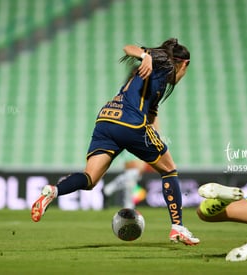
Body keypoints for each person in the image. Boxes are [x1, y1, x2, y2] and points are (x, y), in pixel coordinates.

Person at [31, 38, 200, 245]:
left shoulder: (156, 82)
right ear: (184, 64)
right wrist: (145, 56)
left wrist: (155, 139)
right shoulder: (163, 60)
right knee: (169, 170)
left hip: (106, 120)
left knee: (90, 178)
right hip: (130, 124)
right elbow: (129, 48)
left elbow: (151, 115)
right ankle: (178, 228)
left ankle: (53, 191)